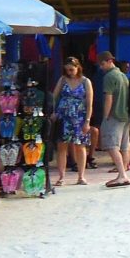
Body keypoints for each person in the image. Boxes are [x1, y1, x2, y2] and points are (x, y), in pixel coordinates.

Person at [51, 56, 93, 185]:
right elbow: (54, 96)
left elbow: (89, 103)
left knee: (80, 146)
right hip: (64, 116)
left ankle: (81, 176)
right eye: (67, 70)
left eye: (71, 70)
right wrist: (53, 111)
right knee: (62, 146)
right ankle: (61, 176)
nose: (69, 72)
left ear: (77, 68)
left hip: (79, 117)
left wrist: (87, 121)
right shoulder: (63, 80)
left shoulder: (85, 81)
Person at [97, 51, 130, 188]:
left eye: (102, 64)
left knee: (112, 146)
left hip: (114, 115)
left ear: (109, 61)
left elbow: (108, 98)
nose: (101, 67)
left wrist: (105, 117)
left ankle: (122, 175)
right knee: (124, 146)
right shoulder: (123, 76)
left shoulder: (109, 76)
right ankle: (123, 173)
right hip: (125, 115)